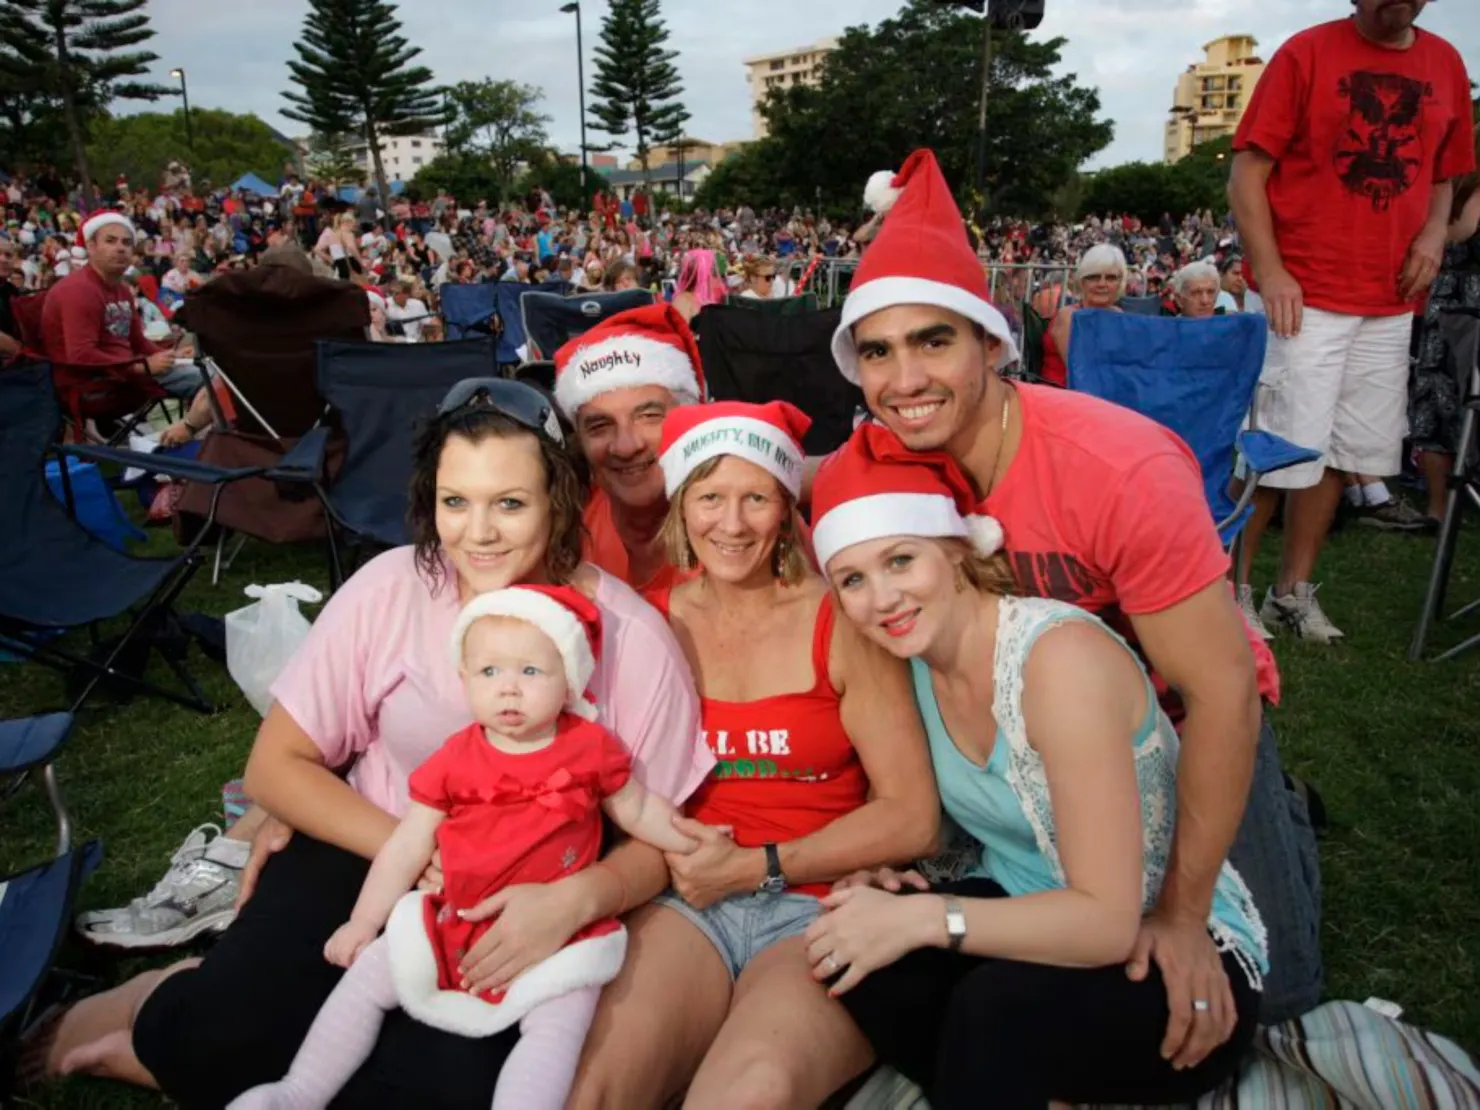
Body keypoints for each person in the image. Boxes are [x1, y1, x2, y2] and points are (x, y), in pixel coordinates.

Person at [41, 378, 712, 1108]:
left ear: (560, 500)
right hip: (372, 844)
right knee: (219, 1034)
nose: (477, 533)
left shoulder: (631, 639)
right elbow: (276, 766)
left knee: (414, 1090)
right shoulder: (392, 587)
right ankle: (172, 999)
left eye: (509, 503)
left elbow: (663, 833)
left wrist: (581, 898)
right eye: (455, 502)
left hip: (522, 895)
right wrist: (418, 850)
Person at [826, 148, 1319, 1036]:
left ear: (990, 340)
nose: (904, 381)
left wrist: (1178, 909)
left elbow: (1219, 691)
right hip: (1017, 746)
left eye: (933, 340)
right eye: (877, 351)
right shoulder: (886, 471)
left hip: (1171, 729)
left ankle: (1278, 808)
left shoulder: (1117, 469)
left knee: (1259, 992)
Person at [805, 423, 1265, 1110]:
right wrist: (897, 890)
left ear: (958, 551)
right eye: (853, 579)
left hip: (1156, 938)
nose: (883, 599)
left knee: (994, 1010)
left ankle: (1002, 1077)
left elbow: (1107, 922)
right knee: (861, 958)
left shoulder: (1056, 661)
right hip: (1024, 911)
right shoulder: (913, 663)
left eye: (902, 560)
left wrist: (928, 919)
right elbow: (961, 821)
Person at [568, 402, 939, 1108]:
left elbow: (912, 817)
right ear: (681, 502)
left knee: (751, 1092)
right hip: (687, 898)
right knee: (592, 1087)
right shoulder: (647, 620)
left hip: (817, 902)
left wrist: (761, 864)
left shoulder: (838, 620)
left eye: (756, 498)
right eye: (710, 497)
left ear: (784, 505)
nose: (732, 525)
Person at [230, 585, 701, 1110]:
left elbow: (637, 810)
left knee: (558, 1024)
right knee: (366, 981)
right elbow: (407, 845)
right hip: (452, 914)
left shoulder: (588, 748)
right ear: (465, 679)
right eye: (489, 673)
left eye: (530, 672)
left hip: (552, 930)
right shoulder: (457, 757)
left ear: (569, 678)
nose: (509, 691)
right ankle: (298, 1092)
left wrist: (690, 839)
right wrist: (364, 922)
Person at [1228, 0, 1474, 643]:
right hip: (1302, 294)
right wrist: (1272, 269)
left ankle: (1293, 592)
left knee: (1345, 450)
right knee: (1276, 451)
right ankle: (1234, 592)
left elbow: (1445, 174)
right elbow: (1247, 174)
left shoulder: (1446, 62)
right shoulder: (1306, 53)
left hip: (1389, 298)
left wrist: (1431, 238)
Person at [553, 304, 706, 594]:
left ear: (691, 418)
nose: (626, 446)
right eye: (600, 426)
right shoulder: (562, 530)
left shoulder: (742, 528)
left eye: (649, 416)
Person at [38, 211, 200, 401]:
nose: (120, 248)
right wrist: (142, 367)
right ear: (90, 247)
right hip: (94, 384)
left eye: (126, 243)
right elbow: (80, 355)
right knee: (213, 381)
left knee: (216, 371)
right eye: (110, 241)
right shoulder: (78, 290)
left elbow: (137, 341)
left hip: (126, 373)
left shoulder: (122, 289)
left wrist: (171, 356)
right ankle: (191, 428)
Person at [1411, 129, 1480, 527]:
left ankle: (1440, 507)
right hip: (1464, 306)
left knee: (1436, 407)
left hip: (1448, 302)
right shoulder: (1472, 188)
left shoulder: (1451, 183)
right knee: (1449, 401)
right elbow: (1463, 230)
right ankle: (1444, 507)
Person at [1042, 244, 1126, 386]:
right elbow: (1081, 373)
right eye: (1093, 277)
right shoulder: (1069, 317)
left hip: (1101, 393)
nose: (1102, 284)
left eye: (1111, 278)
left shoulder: (1118, 315)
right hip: (1063, 394)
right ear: (1082, 282)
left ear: (1119, 284)